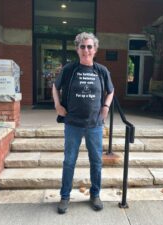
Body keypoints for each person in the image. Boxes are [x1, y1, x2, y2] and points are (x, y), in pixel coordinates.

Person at [52, 32, 114, 214]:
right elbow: (55, 86)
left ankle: (95, 194)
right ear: (77, 49)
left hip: (95, 124)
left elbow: (111, 90)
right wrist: (57, 105)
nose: (86, 50)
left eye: (89, 46)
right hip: (72, 124)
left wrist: (106, 107)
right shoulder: (70, 70)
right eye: (82, 46)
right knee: (69, 161)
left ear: (95, 49)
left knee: (96, 161)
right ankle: (65, 196)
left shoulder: (101, 71)